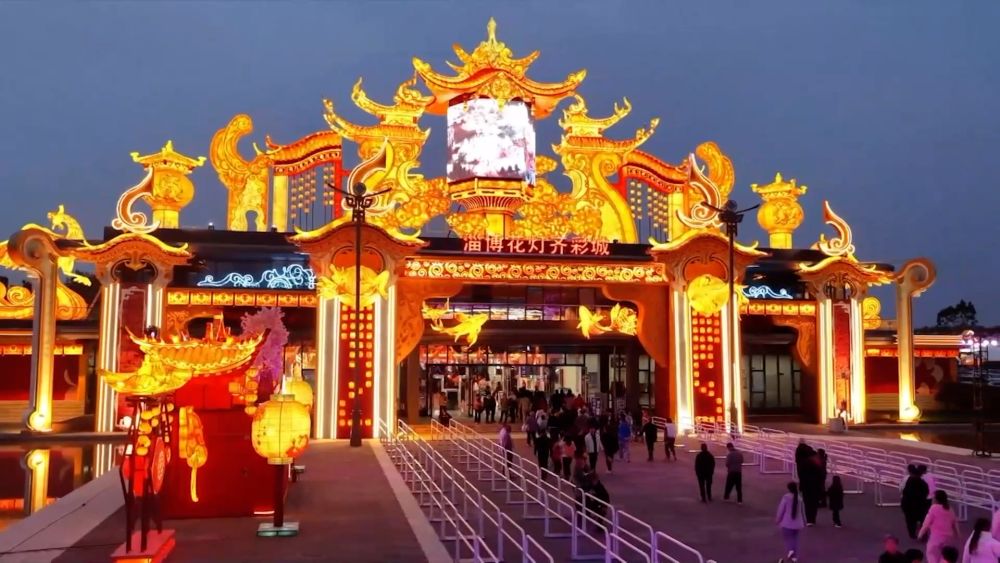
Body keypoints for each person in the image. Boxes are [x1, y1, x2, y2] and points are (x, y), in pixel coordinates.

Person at [917, 490, 960, 563]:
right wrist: (958, 534)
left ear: (936, 499)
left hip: (936, 537)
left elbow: (926, 523)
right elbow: (954, 522)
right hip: (948, 537)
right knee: (945, 557)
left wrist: (920, 534)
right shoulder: (950, 509)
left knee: (931, 554)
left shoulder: (934, 508)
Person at [775, 481, 806, 563]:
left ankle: (791, 551)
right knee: (795, 539)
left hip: (787, 523)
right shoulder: (799, 498)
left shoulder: (786, 497)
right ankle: (795, 557)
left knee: (788, 539)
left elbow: (781, 510)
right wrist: (804, 521)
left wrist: (778, 520)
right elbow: (803, 511)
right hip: (798, 524)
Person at [901, 464, 930, 539]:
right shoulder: (923, 483)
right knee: (922, 519)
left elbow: (904, 491)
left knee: (910, 520)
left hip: (908, 505)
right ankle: (923, 534)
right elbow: (926, 492)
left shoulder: (909, 481)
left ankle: (912, 534)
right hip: (920, 505)